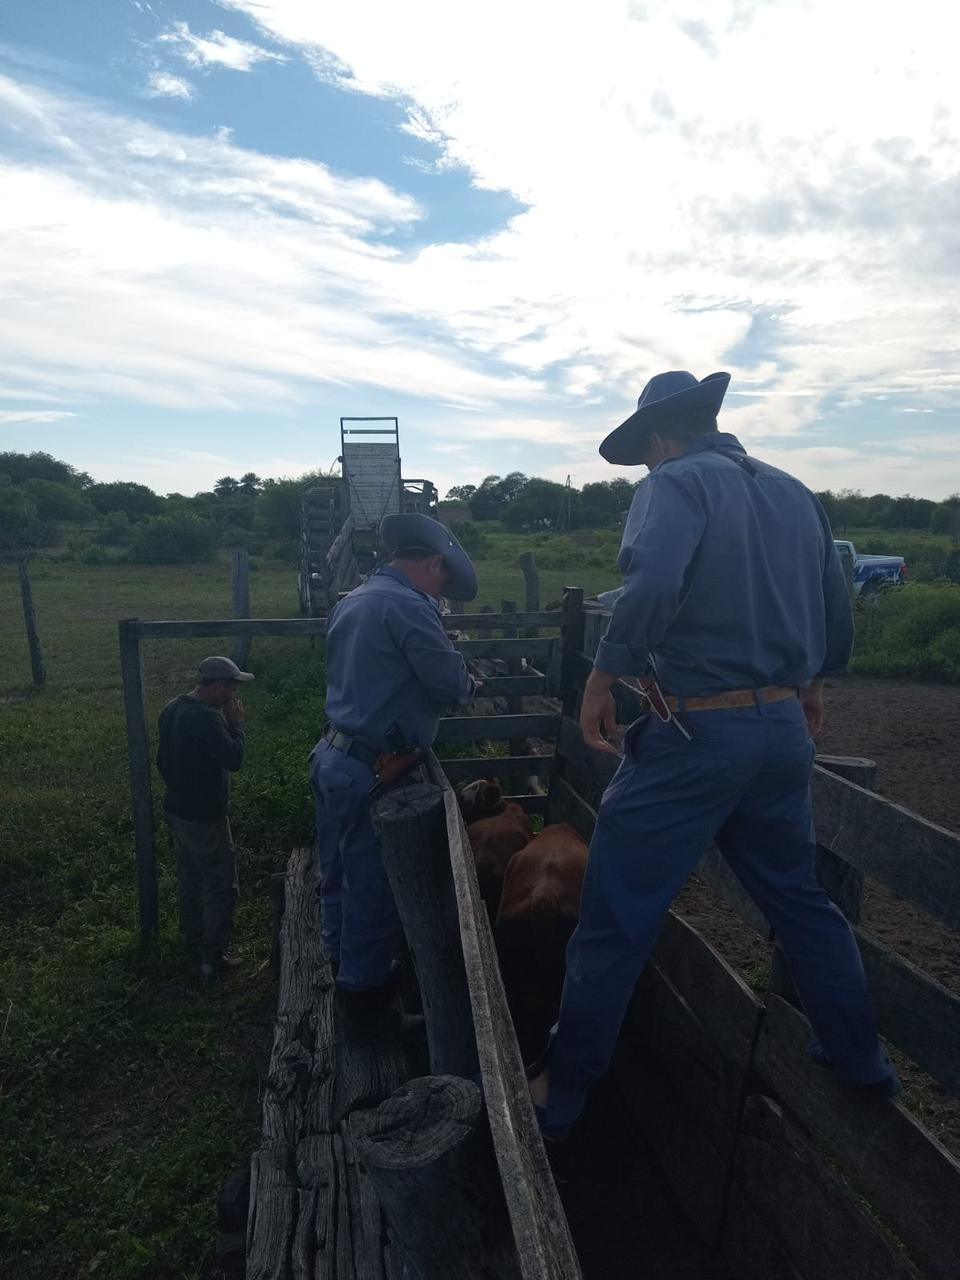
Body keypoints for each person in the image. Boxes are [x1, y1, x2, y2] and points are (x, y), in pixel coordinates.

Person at [529, 369, 900, 1139]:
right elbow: (834, 607)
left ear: (660, 438)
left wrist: (601, 676)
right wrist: (811, 687)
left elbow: (652, 584)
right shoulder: (794, 492)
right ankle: (860, 1058)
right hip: (780, 732)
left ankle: (561, 1092)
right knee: (799, 898)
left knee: (615, 914)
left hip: (696, 734)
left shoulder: (673, 484)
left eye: (644, 453)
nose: (646, 465)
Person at [310, 513, 480, 1039]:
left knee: (336, 867)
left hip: (335, 753)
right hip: (373, 767)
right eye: (442, 583)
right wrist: (468, 679)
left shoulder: (354, 599)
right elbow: (449, 684)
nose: (440, 595)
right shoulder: (408, 606)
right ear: (434, 564)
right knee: (372, 883)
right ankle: (363, 1000)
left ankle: (340, 962)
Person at [156, 655, 252, 979]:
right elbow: (233, 758)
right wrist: (236, 724)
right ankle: (213, 956)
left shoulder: (172, 707)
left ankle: (192, 942)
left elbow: (161, 761)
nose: (233, 697)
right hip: (205, 816)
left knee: (191, 879)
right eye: (232, 689)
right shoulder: (209, 718)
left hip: (177, 809)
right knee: (221, 883)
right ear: (219, 686)